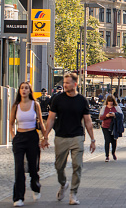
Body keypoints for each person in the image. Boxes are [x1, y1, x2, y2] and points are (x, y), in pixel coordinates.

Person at [41, 73, 96, 205]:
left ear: (75, 84)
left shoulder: (82, 100)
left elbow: (88, 121)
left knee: (77, 166)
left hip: (77, 136)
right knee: (59, 166)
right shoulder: (57, 99)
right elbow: (51, 118)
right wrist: (45, 136)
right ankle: (63, 183)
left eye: (67, 83)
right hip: (61, 137)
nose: (65, 85)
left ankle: (73, 193)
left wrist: (92, 140)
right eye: (64, 83)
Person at [9, 82, 46, 207]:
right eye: (22, 88)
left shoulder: (35, 105)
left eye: (26, 88)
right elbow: (11, 123)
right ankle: (18, 197)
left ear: (30, 91)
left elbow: (41, 122)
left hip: (32, 137)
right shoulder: (16, 105)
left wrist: (45, 138)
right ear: (19, 91)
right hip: (19, 138)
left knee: (33, 167)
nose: (24, 90)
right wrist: (14, 137)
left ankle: (35, 186)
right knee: (19, 167)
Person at [99, 95, 122, 162]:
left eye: (111, 101)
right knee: (107, 140)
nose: (110, 103)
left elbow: (121, 115)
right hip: (105, 126)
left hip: (114, 127)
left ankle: (113, 153)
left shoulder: (116, 107)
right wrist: (106, 116)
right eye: (109, 101)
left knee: (114, 141)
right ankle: (107, 156)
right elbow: (100, 117)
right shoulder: (104, 107)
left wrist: (115, 115)